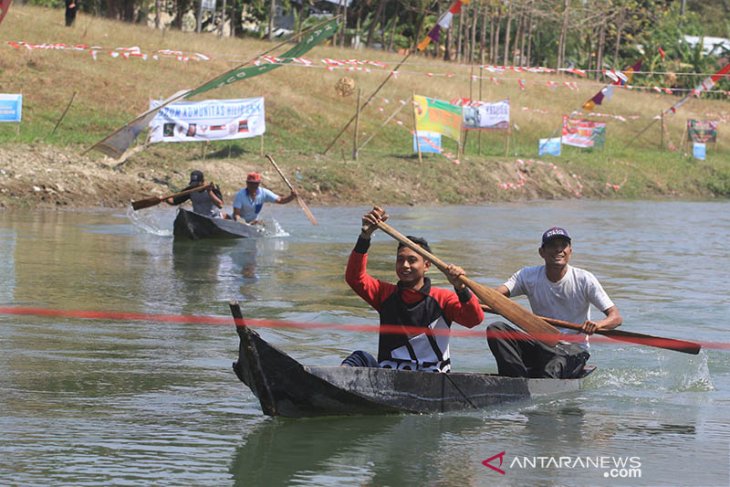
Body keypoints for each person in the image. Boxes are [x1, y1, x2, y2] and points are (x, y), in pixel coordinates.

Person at [342, 206, 484, 372]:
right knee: (359, 358)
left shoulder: (443, 298)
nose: (405, 265)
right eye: (400, 259)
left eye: (412, 260)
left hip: (431, 377)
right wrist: (364, 237)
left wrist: (461, 288)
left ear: (427, 265)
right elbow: (355, 278)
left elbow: (473, 320)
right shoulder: (385, 293)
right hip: (388, 377)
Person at [486, 226, 622, 379]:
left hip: (573, 350)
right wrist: (462, 290)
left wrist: (598, 325)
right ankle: (515, 380)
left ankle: (533, 383)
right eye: (552, 246)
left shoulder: (584, 279)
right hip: (541, 345)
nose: (558, 250)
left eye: (563, 245)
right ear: (541, 252)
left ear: (570, 251)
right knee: (496, 329)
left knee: (552, 368)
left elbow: (615, 317)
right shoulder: (527, 275)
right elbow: (494, 297)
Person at [231, 172, 296, 225]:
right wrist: (246, 224)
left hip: (253, 222)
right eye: (251, 183)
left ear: (258, 184)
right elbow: (236, 215)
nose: (253, 186)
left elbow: (281, 200)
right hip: (239, 223)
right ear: (247, 183)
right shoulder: (240, 195)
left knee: (263, 223)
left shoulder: (264, 193)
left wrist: (292, 196)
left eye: (255, 184)